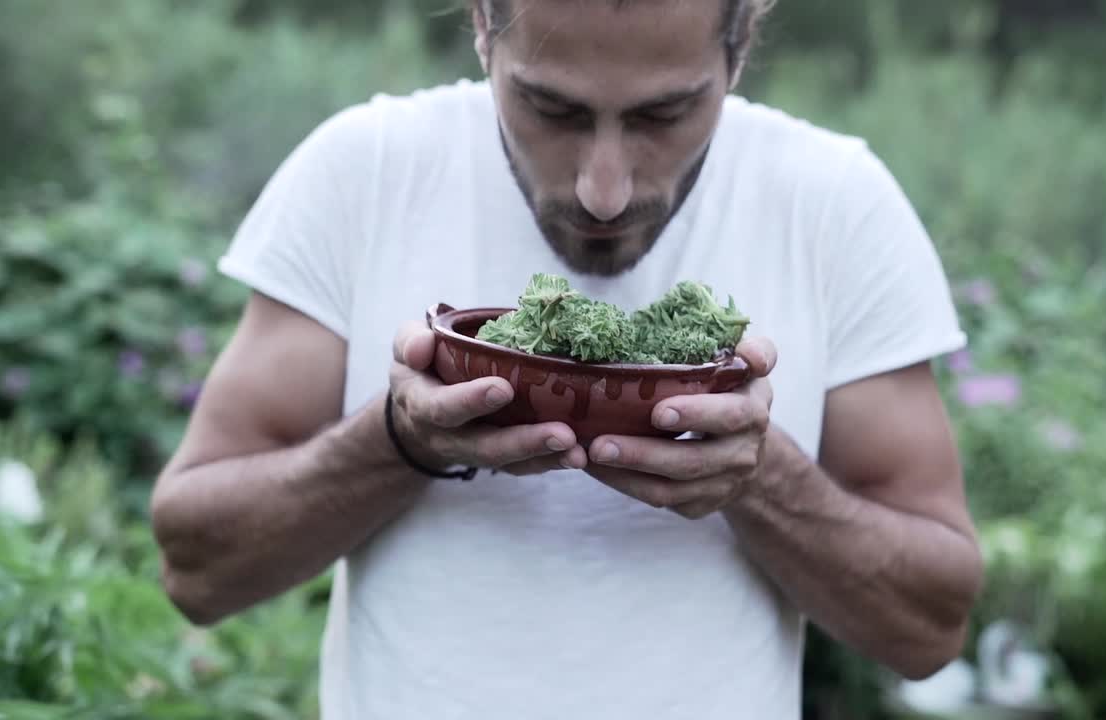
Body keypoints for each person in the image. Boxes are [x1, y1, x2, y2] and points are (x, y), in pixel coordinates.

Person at [148, 1, 985, 718]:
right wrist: (400, 441)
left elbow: (930, 628)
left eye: (664, 115)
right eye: (552, 110)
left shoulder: (833, 204)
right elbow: (195, 568)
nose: (604, 189)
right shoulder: (364, 173)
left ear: (738, 48)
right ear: (483, 26)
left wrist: (760, 476)